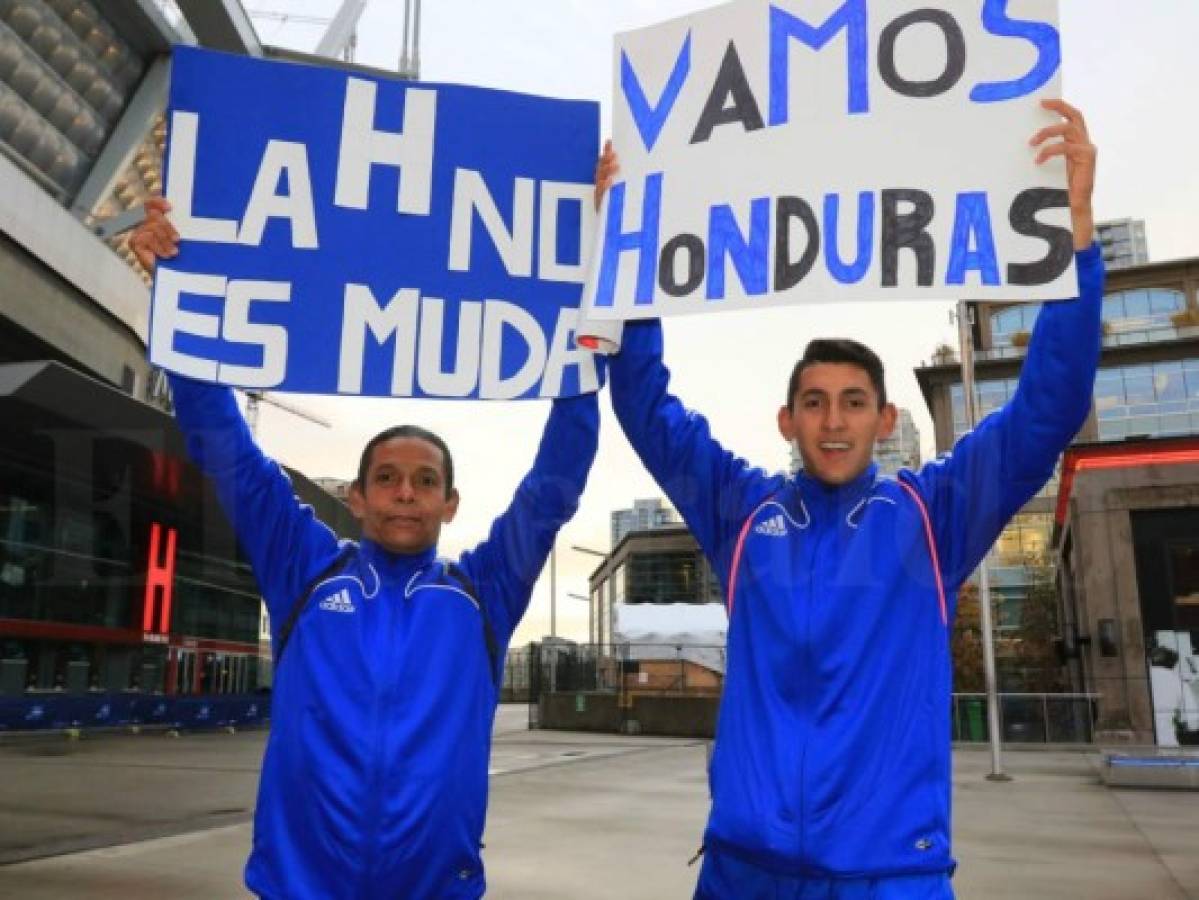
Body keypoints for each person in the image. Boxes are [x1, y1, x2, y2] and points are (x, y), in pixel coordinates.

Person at [595, 99, 1102, 899]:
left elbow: (1049, 406)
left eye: (854, 400)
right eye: (816, 402)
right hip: (742, 871)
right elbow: (645, 409)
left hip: (889, 874)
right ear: (787, 419)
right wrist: (625, 262)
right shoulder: (742, 513)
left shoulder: (930, 514)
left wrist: (1074, 238)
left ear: (884, 418)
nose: (834, 421)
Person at [132, 199, 600, 899]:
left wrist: (590, 303)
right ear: (355, 497)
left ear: (451, 503)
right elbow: (224, 445)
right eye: (386, 479)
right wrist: (175, 291)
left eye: (424, 481)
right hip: (299, 885)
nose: (405, 494)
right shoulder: (306, 570)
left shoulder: (482, 593)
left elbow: (553, 485)